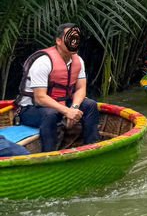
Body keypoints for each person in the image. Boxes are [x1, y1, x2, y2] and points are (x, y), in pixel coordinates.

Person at [15, 23, 99, 153]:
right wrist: (66, 111)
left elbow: (81, 89)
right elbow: (40, 97)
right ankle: (49, 155)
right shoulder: (43, 62)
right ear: (59, 41)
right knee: (50, 114)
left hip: (62, 105)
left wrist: (74, 108)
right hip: (31, 110)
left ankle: (91, 149)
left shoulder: (78, 61)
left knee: (90, 105)